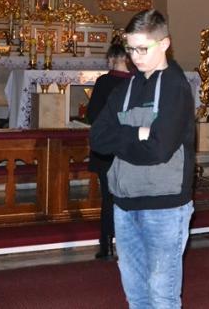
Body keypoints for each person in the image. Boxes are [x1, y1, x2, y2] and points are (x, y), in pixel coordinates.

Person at [89, 9, 196, 307]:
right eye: (130, 49)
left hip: (164, 206)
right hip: (124, 204)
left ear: (164, 44)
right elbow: (97, 139)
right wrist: (139, 132)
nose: (135, 57)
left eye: (142, 49)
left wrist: (121, 135)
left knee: (162, 296)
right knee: (135, 295)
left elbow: (159, 150)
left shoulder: (175, 88)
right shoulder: (125, 88)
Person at [86, 37, 133, 260]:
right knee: (129, 197)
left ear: (114, 58)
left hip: (107, 149)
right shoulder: (138, 82)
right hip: (130, 147)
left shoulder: (104, 82)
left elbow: (92, 115)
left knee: (108, 197)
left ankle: (106, 245)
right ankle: (128, 245)